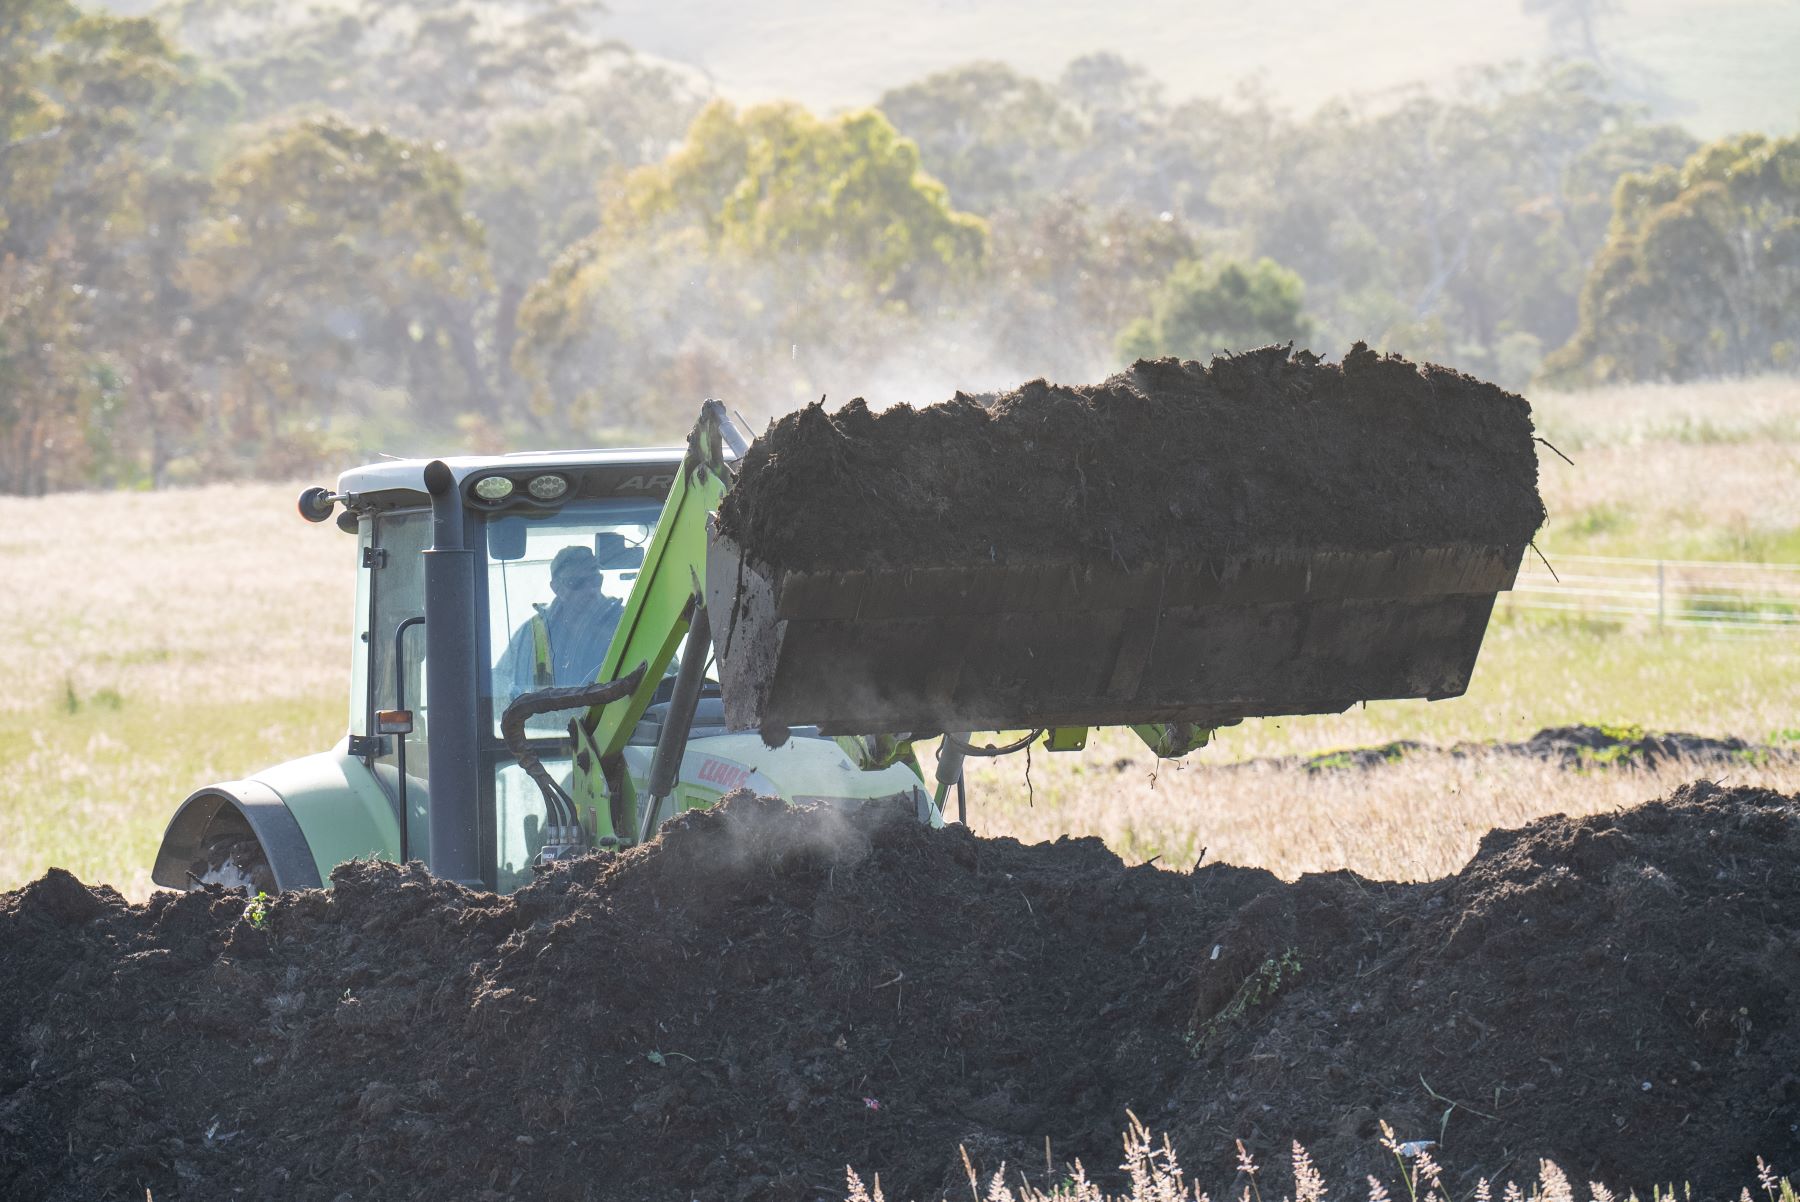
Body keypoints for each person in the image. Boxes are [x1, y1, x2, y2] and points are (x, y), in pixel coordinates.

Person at [495, 544, 625, 703]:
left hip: (614, 725)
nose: (590, 589)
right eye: (577, 583)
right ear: (556, 587)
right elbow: (499, 686)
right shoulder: (530, 634)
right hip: (545, 726)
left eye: (596, 580)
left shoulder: (625, 622)